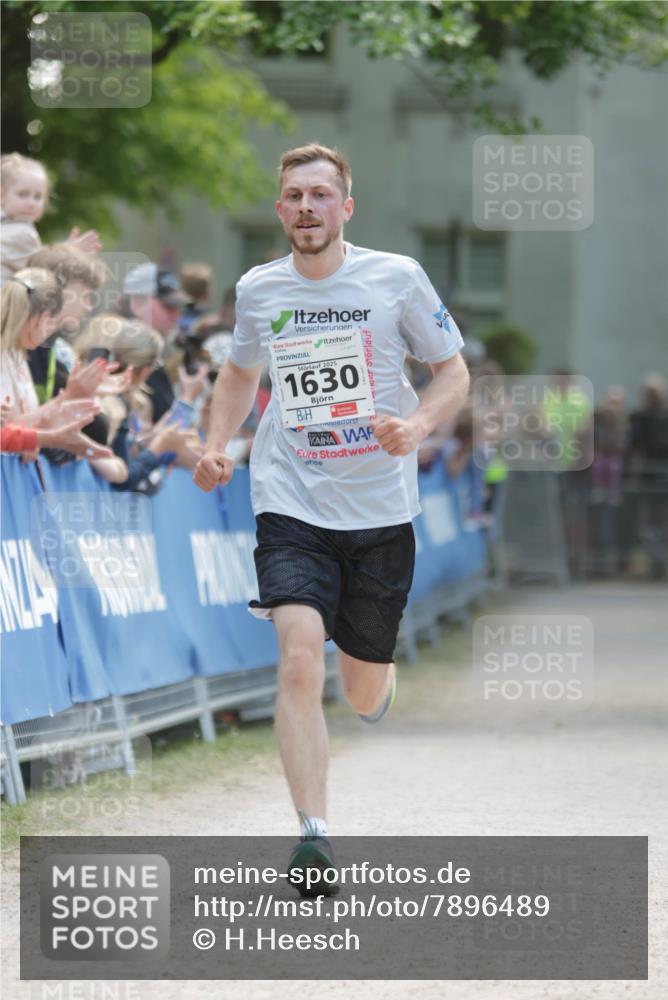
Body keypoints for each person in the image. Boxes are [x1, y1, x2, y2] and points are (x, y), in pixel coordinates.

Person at [194, 143, 469, 891]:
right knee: (298, 659)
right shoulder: (258, 288)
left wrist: (417, 429)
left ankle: (376, 674)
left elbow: (452, 371)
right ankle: (314, 836)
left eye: (322, 195)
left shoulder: (396, 278)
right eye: (294, 195)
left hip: (380, 505)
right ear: (280, 208)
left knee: (361, 690)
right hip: (291, 495)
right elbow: (240, 372)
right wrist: (217, 444)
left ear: (346, 208)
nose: (307, 208)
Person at [0, 153, 101, 284]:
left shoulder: (8, 226)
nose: (31, 203)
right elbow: (38, 271)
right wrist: (67, 251)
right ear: (1, 195)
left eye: (38, 197)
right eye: (22, 194)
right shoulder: (22, 233)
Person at [123, 262, 189, 421]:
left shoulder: (153, 355)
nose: (176, 316)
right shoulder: (126, 358)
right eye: (168, 307)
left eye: (177, 308)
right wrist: (188, 400)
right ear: (137, 303)